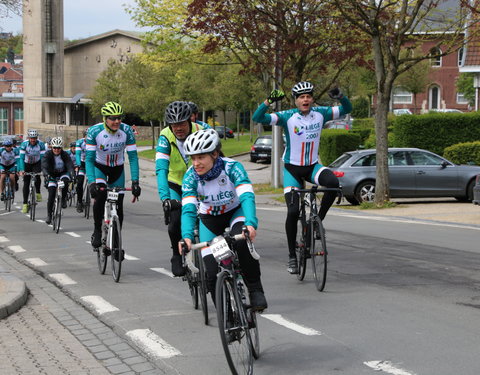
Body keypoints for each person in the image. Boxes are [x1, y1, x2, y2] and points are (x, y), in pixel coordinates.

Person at [252, 81, 352, 274]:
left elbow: (347, 108)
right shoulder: (287, 116)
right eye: (301, 97)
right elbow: (259, 118)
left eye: (308, 96)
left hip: (312, 166)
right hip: (292, 170)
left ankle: (317, 223)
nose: (305, 99)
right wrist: (268, 101)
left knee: (332, 183)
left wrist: (340, 96)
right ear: (296, 100)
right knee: (292, 212)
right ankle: (291, 256)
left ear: (312, 99)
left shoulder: (321, 113)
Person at [179, 129, 267, 310]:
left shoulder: (232, 167)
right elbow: (188, 210)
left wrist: (250, 224)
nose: (196, 163)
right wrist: (186, 237)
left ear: (215, 153)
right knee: (211, 274)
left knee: (242, 243)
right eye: (193, 158)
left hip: (235, 212)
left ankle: (255, 289)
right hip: (209, 220)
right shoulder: (190, 177)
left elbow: (247, 196)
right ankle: (228, 316)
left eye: (201, 157)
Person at [156, 101, 205, 276]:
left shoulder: (202, 131)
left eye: (182, 123)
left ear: (190, 121)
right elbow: (161, 168)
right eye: (174, 124)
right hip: (175, 182)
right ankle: (177, 255)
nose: (178, 128)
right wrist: (165, 199)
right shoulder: (165, 136)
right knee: (175, 222)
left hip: (200, 182)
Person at [86, 102, 141, 249]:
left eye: (119, 118)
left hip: (117, 169)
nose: (117, 121)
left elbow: (133, 157)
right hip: (100, 168)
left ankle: (116, 242)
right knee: (100, 196)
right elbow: (89, 160)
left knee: (119, 205)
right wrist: (92, 182)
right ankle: (97, 230)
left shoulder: (127, 131)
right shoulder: (94, 131)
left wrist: (135, 181)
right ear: (105, 118)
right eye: (113, 118)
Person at [41, 137, 74, 224]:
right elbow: (44, 165)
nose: (56, 150)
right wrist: (46, 174)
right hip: (52, 174)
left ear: (61, 148)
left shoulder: (65, 154)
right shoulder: (48, 154)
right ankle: (49, 215)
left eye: (58, 148)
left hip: (63, 173)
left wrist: (72, 174)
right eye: (54, 148)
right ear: (51, 147)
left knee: (66, 181)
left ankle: (63, 199)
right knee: (51, 194)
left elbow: (69, 165)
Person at [18, 129, 46, 213]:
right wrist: (22, 170)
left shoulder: (41, 144)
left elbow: (43, 158)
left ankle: (38, 192)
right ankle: (25, 204)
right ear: (29, 138)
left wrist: (43, 169)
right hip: (27, 163)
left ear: (36, 138)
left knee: (37, 176)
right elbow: (21, 158)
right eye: (31, 138)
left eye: (34, 138)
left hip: (37, 163)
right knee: (26, 183)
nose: (33, 140)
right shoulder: (24, 144)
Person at [75, 130, 87, 213]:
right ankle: (79, 202)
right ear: (84, 136)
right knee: (79, 183)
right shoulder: (80, 142)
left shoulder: (96, 142)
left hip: (92, 163)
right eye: (87, 136)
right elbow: (77, 154)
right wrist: (78, 164)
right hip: (82, 163)